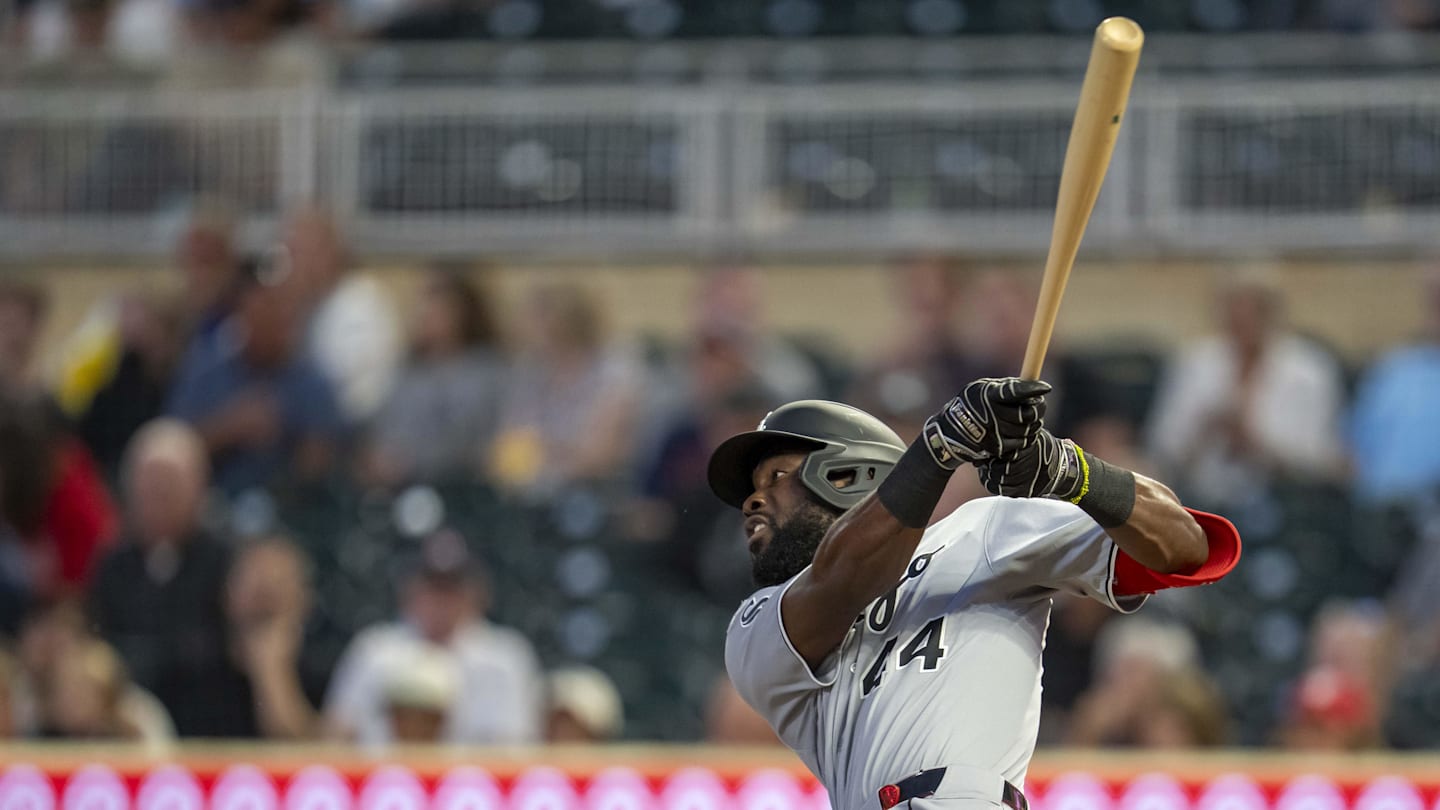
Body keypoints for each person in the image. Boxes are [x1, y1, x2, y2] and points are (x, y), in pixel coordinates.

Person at [713, 378, 1241, 810]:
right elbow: (842, 580)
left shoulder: (984, 530)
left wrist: (1067, 470)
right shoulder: (755, 625)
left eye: (776, 476)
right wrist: (941, 448)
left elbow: (1186, 548)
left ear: (847, 473)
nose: (752, 502)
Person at [323, 527, 544, 747]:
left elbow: (521, 747)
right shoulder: (375, 650)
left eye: (452, 588)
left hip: (471, 779)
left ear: (475, 593)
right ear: (411, 589)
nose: (441, 600)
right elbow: (337, 734)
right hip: (386, 777)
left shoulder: (504, 657)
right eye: (433, 587)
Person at [1146, 270, 1347, 505]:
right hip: (1198, 499)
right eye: (1233, 313)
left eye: (1253, 311)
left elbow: (1322, 459)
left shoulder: (1310, 370)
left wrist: (1256, 446)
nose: (1242, 322)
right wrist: (1204, 431)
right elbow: (1162, 448)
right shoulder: (1195, 363)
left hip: (1286, 504)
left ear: (1271, 314)